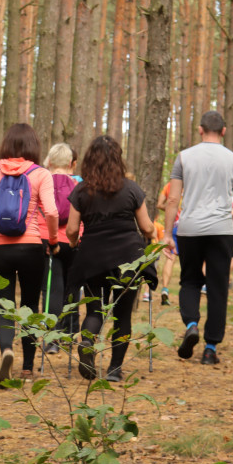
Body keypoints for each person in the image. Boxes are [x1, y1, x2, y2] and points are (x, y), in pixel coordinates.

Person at [0, 123, 58, 388]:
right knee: (30, 305)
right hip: (31, 247)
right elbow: (52, 213)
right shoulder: (41, 174)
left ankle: (7, 350)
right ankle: (28, 369)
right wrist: (52, 241)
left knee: (4, 306)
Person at [163, 111, 233, 366]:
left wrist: (168, 234)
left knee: (189, 280)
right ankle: (210, 349)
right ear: (224, 131)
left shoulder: (184, 157)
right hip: (222, 230)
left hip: (189, 229)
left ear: (200, 130)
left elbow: (171, 199)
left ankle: (191, 324)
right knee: (217, 288)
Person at [67, 136, 155, 382]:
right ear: (118, 158)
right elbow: (147, 227)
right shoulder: (132, 189)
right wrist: (154, 236)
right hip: (128, 258)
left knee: (95, 309)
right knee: (122, 314)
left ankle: (87, 342)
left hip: (93, 257)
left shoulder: (81, 191)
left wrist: (74, 245)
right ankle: (115, 370)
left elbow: (72, 230)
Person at [38, 142, 79, 355]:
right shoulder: (76, 185)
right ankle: (71, 334)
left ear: (50, 161)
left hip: (47, 238)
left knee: (53, 288)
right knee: (72, 286)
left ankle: (52, 338)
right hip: (72, 239)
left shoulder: (42, 182)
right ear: (71, 163)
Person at [155, 181, 177, 305]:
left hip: (172, 225)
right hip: (189, 225)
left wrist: (171, 210)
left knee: (170, 259)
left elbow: (159, 204)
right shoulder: (193, 181)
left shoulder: (168, 186)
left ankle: (165, 289)